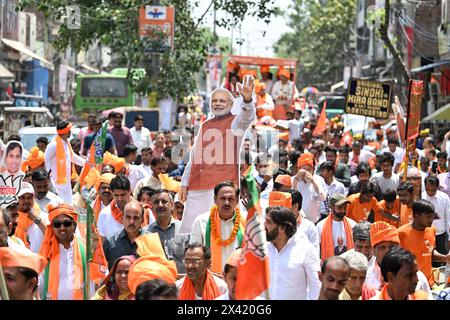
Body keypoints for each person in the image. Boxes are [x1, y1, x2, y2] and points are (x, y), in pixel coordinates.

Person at [180, 76, 256, 233]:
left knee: (222, 231)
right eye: (215, 101)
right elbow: (194, 155)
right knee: (192, 231)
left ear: (230, 105)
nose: (218, 104)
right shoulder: (205, 125)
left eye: (222, 101)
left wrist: (247, 101)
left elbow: (246, 118)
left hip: (222, 189)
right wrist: (184, 182)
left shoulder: (236, 123)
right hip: (197, 187)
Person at [365, 221, 432, 299]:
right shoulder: (365, 277)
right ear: (374, 251)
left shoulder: (419, 277)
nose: (387, 251)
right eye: (382, 247)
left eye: (391, 247)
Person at [265, 206, 321, 300]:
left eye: (268, 222)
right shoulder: (261, 248)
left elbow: (316, 286)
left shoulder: (306, 249)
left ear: (282, 228)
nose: (264, 225)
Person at [190, 181, 245, 274]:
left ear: (237, 201)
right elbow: (194, 255)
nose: (227, 203)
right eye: (223, 198)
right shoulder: (201, 221)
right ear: (215, 199)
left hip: (239, 280)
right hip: (210, 280)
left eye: (231, 199)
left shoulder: (246, 221)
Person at [39, 204, 88, 300]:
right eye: (57, 224)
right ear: (52, 227)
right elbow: (38, 284)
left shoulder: (86, 248)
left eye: (67, 224)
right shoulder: (47, 252)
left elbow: (96, 280)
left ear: (74, 225)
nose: (62, 228)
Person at [398, 199, 450, 288]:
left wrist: (445, 258)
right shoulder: (401, 233)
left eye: (433, 216)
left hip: (429, 284)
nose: (432, 219)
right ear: (416, 216)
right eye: (428, 216)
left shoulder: (432, 230)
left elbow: (429, 252)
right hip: (410, 286)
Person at [145, 189, 189, 273]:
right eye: (156, 202)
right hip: (156, 283)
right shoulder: (145, 233)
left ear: (172, 205)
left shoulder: (184, 229)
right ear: (152, 206)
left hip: (181, 283)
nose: (160, 205)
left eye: (164, 202)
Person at [44, 120, 86, 204]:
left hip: (66, 182)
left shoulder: (66, 143)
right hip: (55, 182)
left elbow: (72, 157)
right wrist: (48, 176)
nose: (71, 131)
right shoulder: (53, 144)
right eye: (69, 130)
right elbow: (44, 160)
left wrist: (87, 163)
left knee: (69, 206)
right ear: (66, 131)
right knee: (58, 206)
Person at [102, 200, 149, 270]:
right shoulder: (110, 241)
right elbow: (102, 269)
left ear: (142, 220)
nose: (131, 222)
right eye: (128, 217)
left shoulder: (151, 241)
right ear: (122, 218)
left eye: (136, 218)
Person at [316, 193, 356, 260]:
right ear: (331, 207)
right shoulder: (320, 226)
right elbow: (318, 249)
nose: (343, 211)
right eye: (340, 207)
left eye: (345, 208)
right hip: (329, 266)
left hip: (348, 265)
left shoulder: (353, 224)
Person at [421, 175, 450, 266]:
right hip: (425, 234)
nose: (430, 192)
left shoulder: (444, 198)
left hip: (441, 234)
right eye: (427, 190)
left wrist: (449, 237)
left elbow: (448, 217)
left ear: (437, 187)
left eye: (433, 190)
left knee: (442, 260)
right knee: (427, 258)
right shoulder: (421, 197)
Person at [293, 153, 327, 223]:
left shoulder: (318, 179)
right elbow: (291, 196)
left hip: (314, 221)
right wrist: (296, 179)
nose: (306, 172)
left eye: (309, 169)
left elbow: (322, 198)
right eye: (304, 169)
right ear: (299, 169)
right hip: (297, 221)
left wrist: (313, 182)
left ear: (312, 170)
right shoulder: (293, 179)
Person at [14, 182, 48, 253]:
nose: (26, 201)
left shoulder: (43, 217)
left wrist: (37, 220)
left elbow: (52, 237)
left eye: (29, 197)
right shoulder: (11, 219)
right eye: (22, 197)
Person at [98, 174, 133, 239]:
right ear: (112, 193)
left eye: (123, 195)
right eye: (116, 195)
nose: (120, 199)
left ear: (130, 191)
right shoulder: (105, 214)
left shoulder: (144, 211)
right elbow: (102, 241)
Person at [288, 189, 320, 254]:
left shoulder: (309, 227)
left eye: (285, 205)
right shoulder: (277, 224)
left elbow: (314, 253)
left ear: (295, 206)